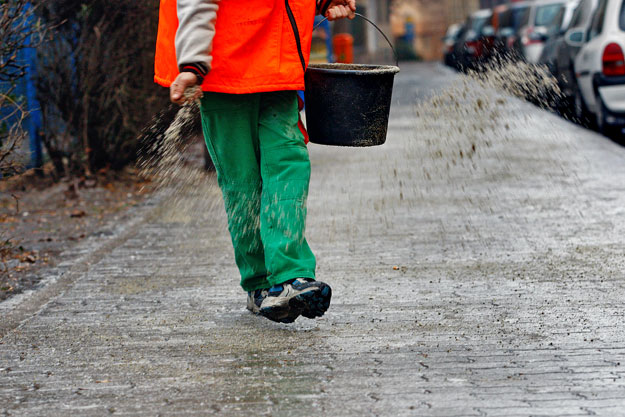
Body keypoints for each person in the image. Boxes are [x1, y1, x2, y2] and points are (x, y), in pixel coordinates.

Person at [154, 0, 356, 323]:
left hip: (277, 62)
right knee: (242, 182)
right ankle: (260, 284)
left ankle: (291, 275)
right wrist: (192, 63)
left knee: (289, 161)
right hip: (224, 70)